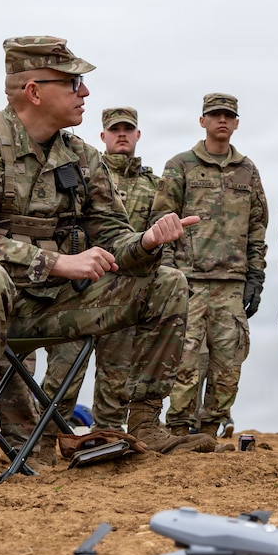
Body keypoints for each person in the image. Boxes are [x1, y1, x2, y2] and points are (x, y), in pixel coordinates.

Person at [0, 36, 208, 484]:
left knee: (166, 282)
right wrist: (57, 263)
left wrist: (146, 243)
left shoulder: (82, 157)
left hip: (51, 305)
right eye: (72, 83)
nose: (84, 92)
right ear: (34, 91)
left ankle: (147, 422)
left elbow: (113, 238)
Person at [42, 107, 165, 432]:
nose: (121, 134)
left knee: (117, 377)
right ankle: (45, 441)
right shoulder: (80, 174)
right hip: (77, 288)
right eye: (114, 129)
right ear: (103, 135)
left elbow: (165, 243)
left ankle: (108, 437)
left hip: (124, 291)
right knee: (63, 374)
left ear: (137, 134)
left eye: (127, 129)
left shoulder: (154, 186)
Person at [154, 93, 268, 440]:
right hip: (188, 281)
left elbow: (257, 227)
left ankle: (209, 431)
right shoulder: (180, 166)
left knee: (228, 365)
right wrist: (168, 274)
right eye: (215, 114)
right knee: (184, 361)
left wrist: (255, 277)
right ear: (202, 121)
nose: (222, 120)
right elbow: (162, 221)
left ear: (236, 123)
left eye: (228, 116)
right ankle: (177, 431)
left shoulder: (248, 171)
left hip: (231, 285)